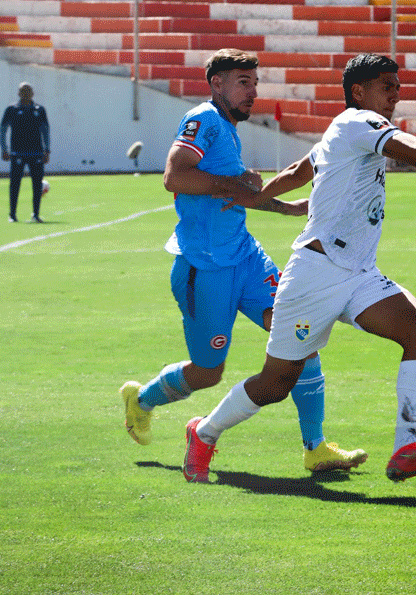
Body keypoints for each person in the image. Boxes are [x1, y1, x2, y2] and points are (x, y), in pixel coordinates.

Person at [182, 53, 416, 484]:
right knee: (275, 383)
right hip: (315, 276)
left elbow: (303, 169)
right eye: (386, 85)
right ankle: (204, 433)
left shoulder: (347, 129)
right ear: (359, 92)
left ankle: (405, 448)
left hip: (358, 272)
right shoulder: (359, 121)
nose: (396, 93)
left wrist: (259, 199)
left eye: (397, 85)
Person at [120, 48, 368, 475]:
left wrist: (288, 208)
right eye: (243, 82)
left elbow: (234, 192)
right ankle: (141, 400)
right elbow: (175, 177)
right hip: (204, 270)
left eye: (255, 82)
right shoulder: (204, 120)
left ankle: (316, 446)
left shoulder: (228, 130)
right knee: (207, 373)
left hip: (246, 259)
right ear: (217, 84)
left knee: (300, 335)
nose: (252, 91)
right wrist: (233, 181)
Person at [0, 82, 50, 223]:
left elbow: (45, 131)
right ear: (18, 93)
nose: (26, 93)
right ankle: (12, 214)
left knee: (36, 183)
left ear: (33, 93)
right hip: (17, 152)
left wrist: (47, 150)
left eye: (28, 90)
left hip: (36, 152)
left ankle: (35, 214)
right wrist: (4, 149)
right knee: (15, 183)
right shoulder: (11, 109)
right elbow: (3, 130)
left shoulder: (39, 110)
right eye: (23, 90)